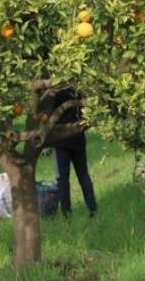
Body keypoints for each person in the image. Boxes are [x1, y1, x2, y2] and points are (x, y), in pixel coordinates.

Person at [50, 88, 97, 217]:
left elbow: (49, 116)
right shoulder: (77, 90)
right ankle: (92, 208)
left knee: (62, 179)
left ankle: (66, 214)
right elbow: (84, 113)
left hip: (60, 140)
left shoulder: (55, 92)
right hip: (77, 137)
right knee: (83, 175)